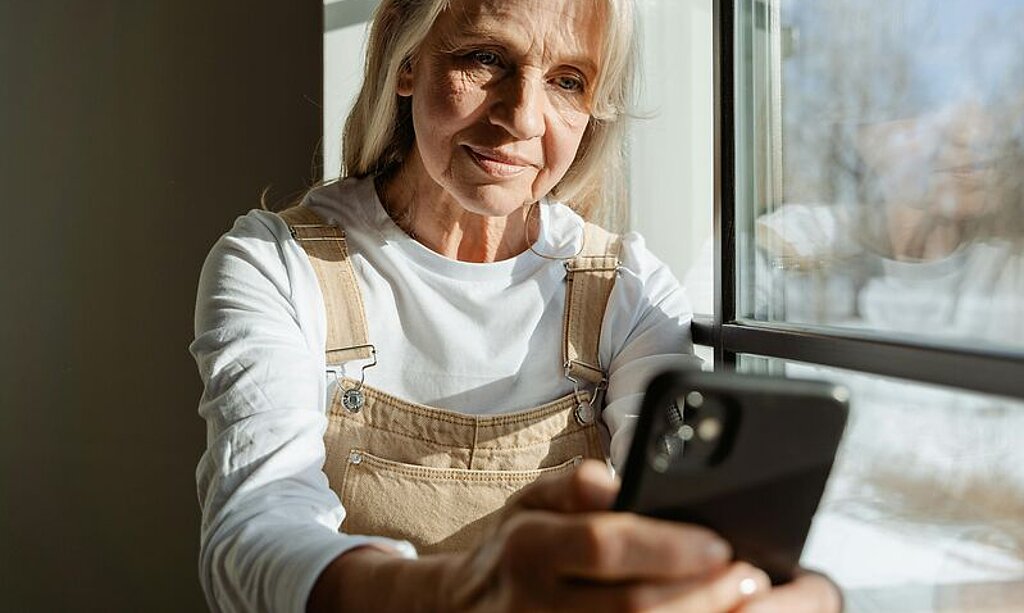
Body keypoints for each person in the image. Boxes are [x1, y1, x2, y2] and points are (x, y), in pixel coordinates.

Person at [191, 0, 841, 611]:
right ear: (405, 55)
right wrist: (468, 593)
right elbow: (252, 536)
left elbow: (674, 520)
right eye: (486, 58)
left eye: (567, 80)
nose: (523, 118)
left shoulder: (628, 288)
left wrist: (784, 588)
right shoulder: (276, 262)